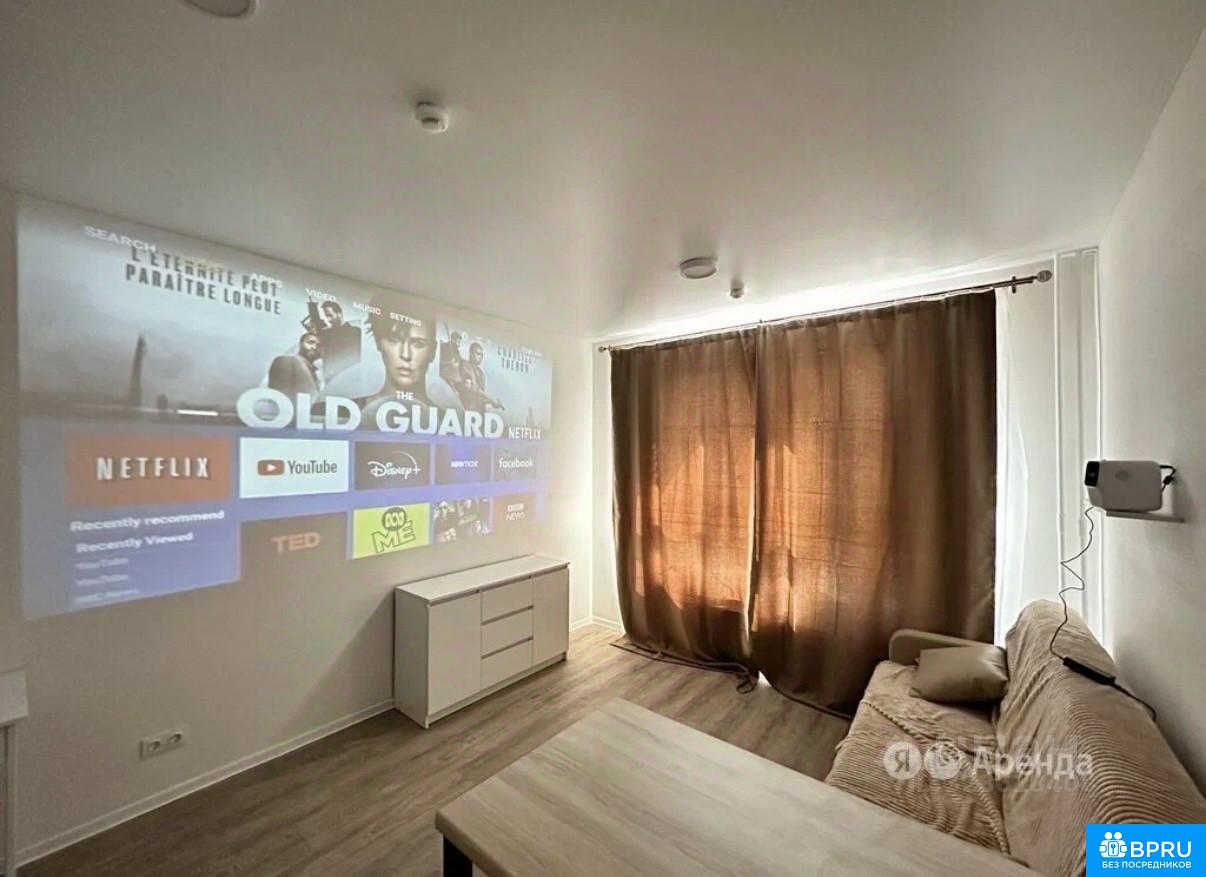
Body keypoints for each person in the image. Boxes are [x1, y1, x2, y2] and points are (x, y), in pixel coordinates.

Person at [359, 303, 437, 423]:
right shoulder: (344, 412)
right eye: (394, 339)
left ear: (433, 351)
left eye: (418, 344)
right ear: (378, 342)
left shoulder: (452, 420)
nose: (406, 355)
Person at [267, 331, 324, 396]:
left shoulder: (316, 373)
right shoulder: (286, 361)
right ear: (300, 344)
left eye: (319, 345)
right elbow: (281, 395)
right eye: (310, 342)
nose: (315, 347)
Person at [456, 341, 504, 412]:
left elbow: (479, 396)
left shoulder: (481, 374)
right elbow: (474, 388)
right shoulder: (465, 365)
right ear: (471, 354)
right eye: (478, 354)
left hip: (479, 411)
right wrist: (492, 400)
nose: (480, 357)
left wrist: (493, 402)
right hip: (467, 409)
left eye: (482, 355)